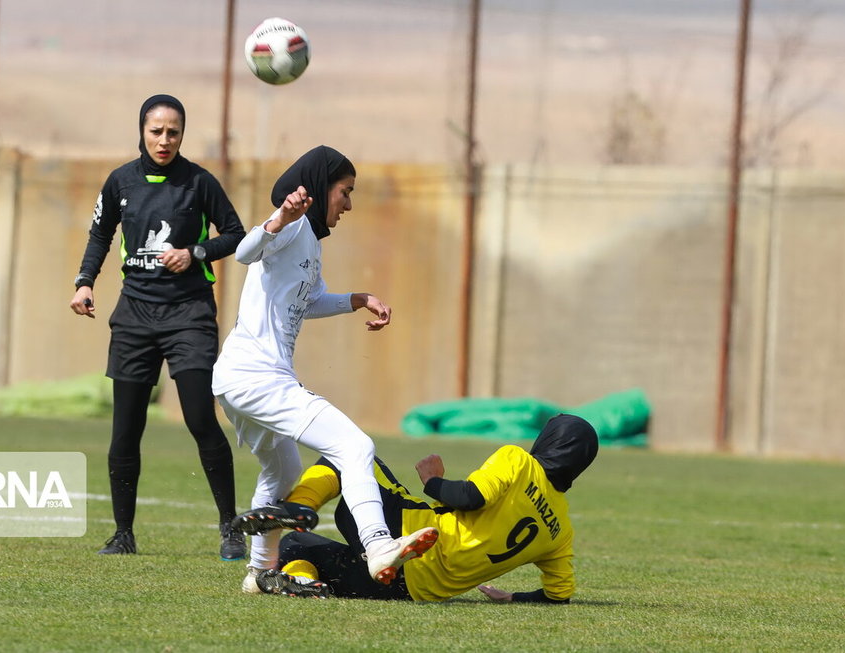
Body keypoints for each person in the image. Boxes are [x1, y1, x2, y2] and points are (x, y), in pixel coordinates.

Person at [211, 145, 439, 593]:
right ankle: (378, 545)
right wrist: (279, 217)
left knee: (282, 473)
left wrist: (358, 299)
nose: (348, 204)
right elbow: (244, 252)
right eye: (345, 191)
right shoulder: (292, 225)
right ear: (320, 186)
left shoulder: (310, 242)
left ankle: (259, 573)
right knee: (355, 446)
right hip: (255, 377)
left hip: (238, 378)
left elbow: (309, 301)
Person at [69, 94, 247, 560]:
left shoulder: (199, 182)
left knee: (200, 419)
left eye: (173, 132)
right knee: (126, 429)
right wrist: (85, 282)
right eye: (156, 131)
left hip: (189, 314)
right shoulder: (120, 181)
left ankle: (230, 528)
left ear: (182, 134)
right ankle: (122, 534)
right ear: (142, 131)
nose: (164, 140)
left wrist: (195, 253)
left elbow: (235, 233)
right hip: (135, 315)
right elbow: (101, 234)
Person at [243, 414, 598, 602]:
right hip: (411, 591)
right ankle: (306, 583)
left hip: (411, 536)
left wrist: (433, 481)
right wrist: (513, 597)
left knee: (349, 459)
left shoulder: (519, 461)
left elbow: (470, 497)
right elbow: (559, 595)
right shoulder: (561, 532)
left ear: (549, 440)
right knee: (295, 546)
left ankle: (299, 508)